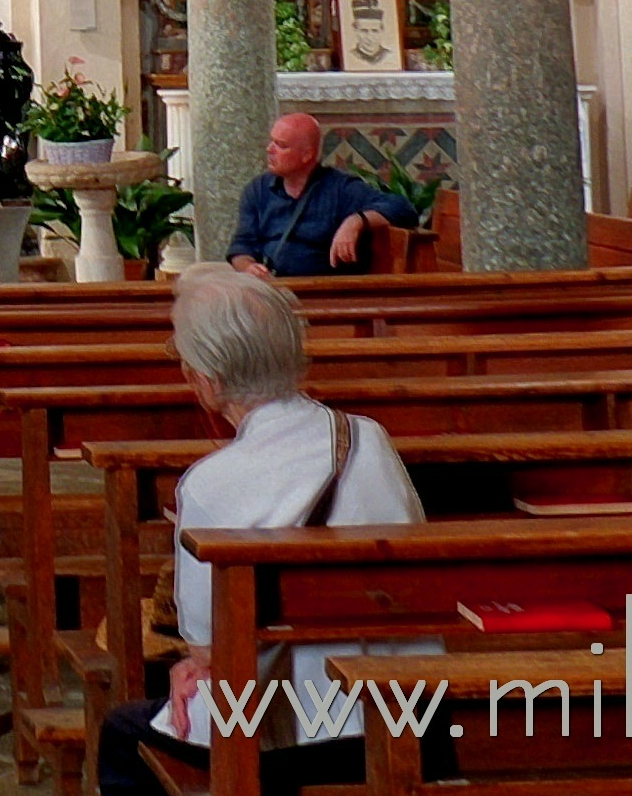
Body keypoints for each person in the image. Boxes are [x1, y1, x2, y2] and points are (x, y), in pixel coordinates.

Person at [96, 269, 431, 795]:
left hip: (294, 738)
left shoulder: (208, 485)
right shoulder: (369, 438)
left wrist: (191, 666)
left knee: (124, 731)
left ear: (205, 380)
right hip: (409, 712)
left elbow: (211, 648)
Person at [228, 112, 413, 275]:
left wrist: (355, 222)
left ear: (307, 155)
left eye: (281, 146)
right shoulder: (258, 190)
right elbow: (241, 246)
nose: (270, 150)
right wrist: (248, 268)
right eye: (271, 141)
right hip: (272, 292)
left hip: (326, 294)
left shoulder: (340, 188)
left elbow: (404, 209)